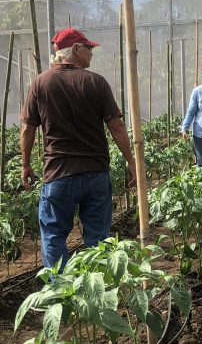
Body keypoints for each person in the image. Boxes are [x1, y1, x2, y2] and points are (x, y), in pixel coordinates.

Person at [20, 27, 136, 270]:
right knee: (98, 239)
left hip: (59, 175)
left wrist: (26, 164)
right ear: (74, 49)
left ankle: (60, 292)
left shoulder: (41, 83)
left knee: (53, 235)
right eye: (88, 48)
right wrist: (131, 160)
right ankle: (95, 292)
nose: (92, 53)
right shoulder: (96, 82)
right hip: (95, 173)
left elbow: (28, 128)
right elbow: (115, 125)